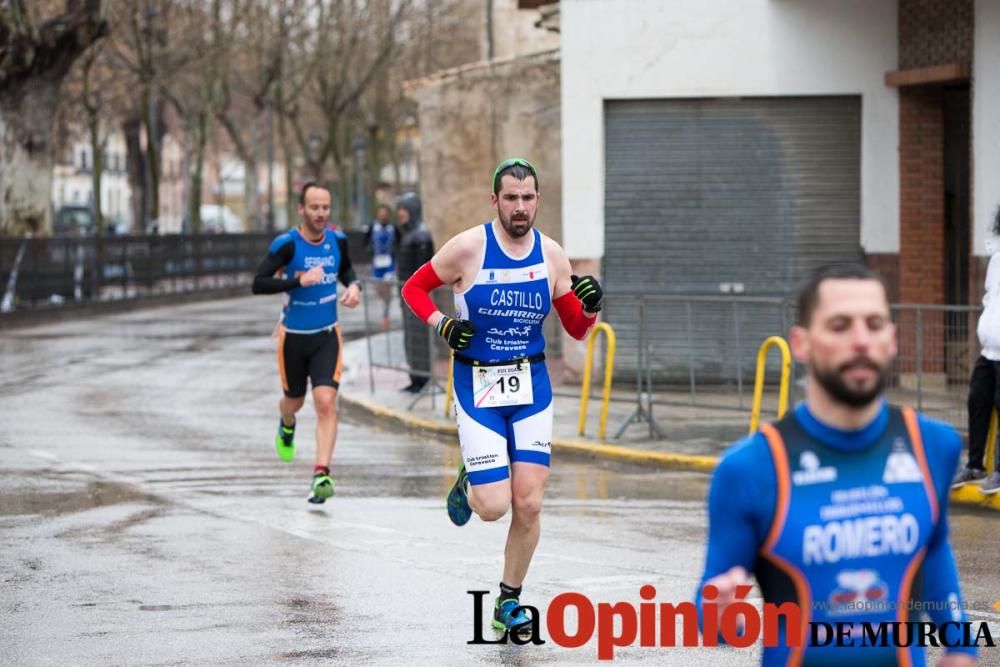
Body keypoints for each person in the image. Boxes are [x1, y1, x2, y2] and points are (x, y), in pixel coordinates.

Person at [696, 263, 977, 666]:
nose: (861, 341)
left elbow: (932, 552)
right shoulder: (750, 468)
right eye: (840, 325)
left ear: (892, 339)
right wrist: (721, 611)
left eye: (875, 324)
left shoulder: (933, 445)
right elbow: (713, 619)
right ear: (802, 343)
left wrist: (961, 649)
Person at [401, 158, 605, 634]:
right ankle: (470, 477)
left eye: (527, 198)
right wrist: (444, 325)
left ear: (537, 200)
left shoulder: (552, 255)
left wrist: (591, 308)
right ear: (495, 200)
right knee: (493, 506)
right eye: (510, 198)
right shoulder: (468, 248)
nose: (520, 207)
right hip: (477, 385)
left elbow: (575, 328)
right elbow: (414, 288)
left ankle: (508, 600)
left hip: (530, 387)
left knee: (529, 503)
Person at [251, 182, 362, 504]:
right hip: (293, 340)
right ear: (301, 209)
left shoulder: (337, 239)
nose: (321, 214)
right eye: (314, 207)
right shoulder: (287, 245)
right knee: (295, 402)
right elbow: (258, 283)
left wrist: (354, 287)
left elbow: (347, 270)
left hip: (327, 335)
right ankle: (286, 422)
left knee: (326, 401)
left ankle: (321, 473)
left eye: (325, 207)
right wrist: (297, 280)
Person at [954, 208, 1000, 494]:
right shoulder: (996, 258)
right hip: (991, 349)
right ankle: (974, 464)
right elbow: (989, 296)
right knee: (977, 400)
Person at [395, 193, 435, 393]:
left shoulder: (421, 236)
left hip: (416, 297)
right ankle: (415, 377)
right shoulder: (409, 235)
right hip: (405, 296)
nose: (400, 214)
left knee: (419, 338)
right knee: (410, 338)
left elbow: (422, 271)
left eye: (403, 209)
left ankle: (423, 377)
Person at [366, 204, 398, 332]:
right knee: (379, 290)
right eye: (381, 214)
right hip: (377, 264)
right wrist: (370, 250)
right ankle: (384, 306)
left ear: (388, 216)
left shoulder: (393, 228)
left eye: (385, 214)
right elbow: (366, 242)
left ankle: (385, 315)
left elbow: (399, 242)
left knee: (387, 290)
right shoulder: (373, 227)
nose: (383, 216)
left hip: (389, 265)